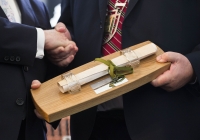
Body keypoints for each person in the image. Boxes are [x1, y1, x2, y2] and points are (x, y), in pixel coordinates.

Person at [49, 0, 200, 140]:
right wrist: (64, 43)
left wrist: (192, 66)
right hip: (93, 122)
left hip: (167, 116)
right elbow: (71, 27)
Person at [0, 0, 78, 140]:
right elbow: (40, 39)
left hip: (31, 130)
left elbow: (40, 60)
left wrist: (61, 54)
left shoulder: (38, 5)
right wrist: (43, 37)